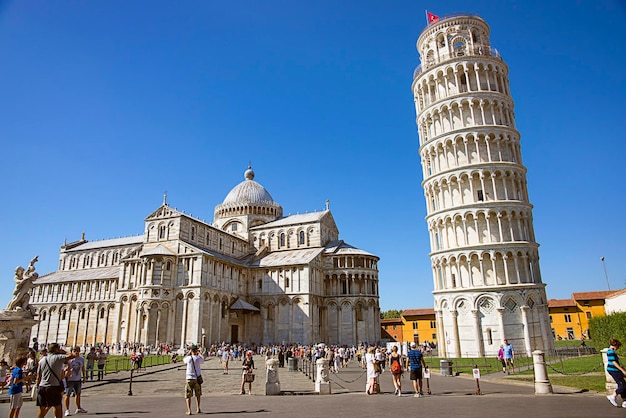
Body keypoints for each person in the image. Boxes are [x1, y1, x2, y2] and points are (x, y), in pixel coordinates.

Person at [35, 343, 78, 418]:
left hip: (42, 386)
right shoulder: (57, 357)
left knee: (42, 408)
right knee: (58, 407)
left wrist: (37, 386)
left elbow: (38, 376)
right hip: (53, 386)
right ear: (56, 350)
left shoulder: (42, 360)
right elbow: (73, 355)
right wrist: (64, 350)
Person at [64, 347, 87, 416]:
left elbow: (83, 368)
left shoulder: (81, 359)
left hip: (78, 379)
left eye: (77, 351)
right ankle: (67, 410)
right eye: (74, 351)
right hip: (70, 379)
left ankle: (78, 408)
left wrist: (84, 377)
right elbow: (64, 368)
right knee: (67, 395)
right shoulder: (69, 360)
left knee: (78, 394)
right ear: (72, 352)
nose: (76, 352)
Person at [183, 345, 205, 415]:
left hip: (189, 378)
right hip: (196, 378)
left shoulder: (188, 358)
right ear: (196, 351)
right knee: (198, 394)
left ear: (191, 351)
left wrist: (188, 353)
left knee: (188, 395)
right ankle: (198, 408)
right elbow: (203, 359)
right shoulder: (198, 358)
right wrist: (199, 353)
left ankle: (189, 410)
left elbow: (183, 360)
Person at [606, 338, 626, 408]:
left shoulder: (612, 352)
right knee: (622, 385)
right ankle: (613, 396)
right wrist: (622, 370)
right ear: (615, 346)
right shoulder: (610, 352)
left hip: (615, 370)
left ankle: (625, 401)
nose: (618, 348)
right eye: (618, 347)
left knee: (623, 385)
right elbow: (614, 362)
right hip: (613, 370)